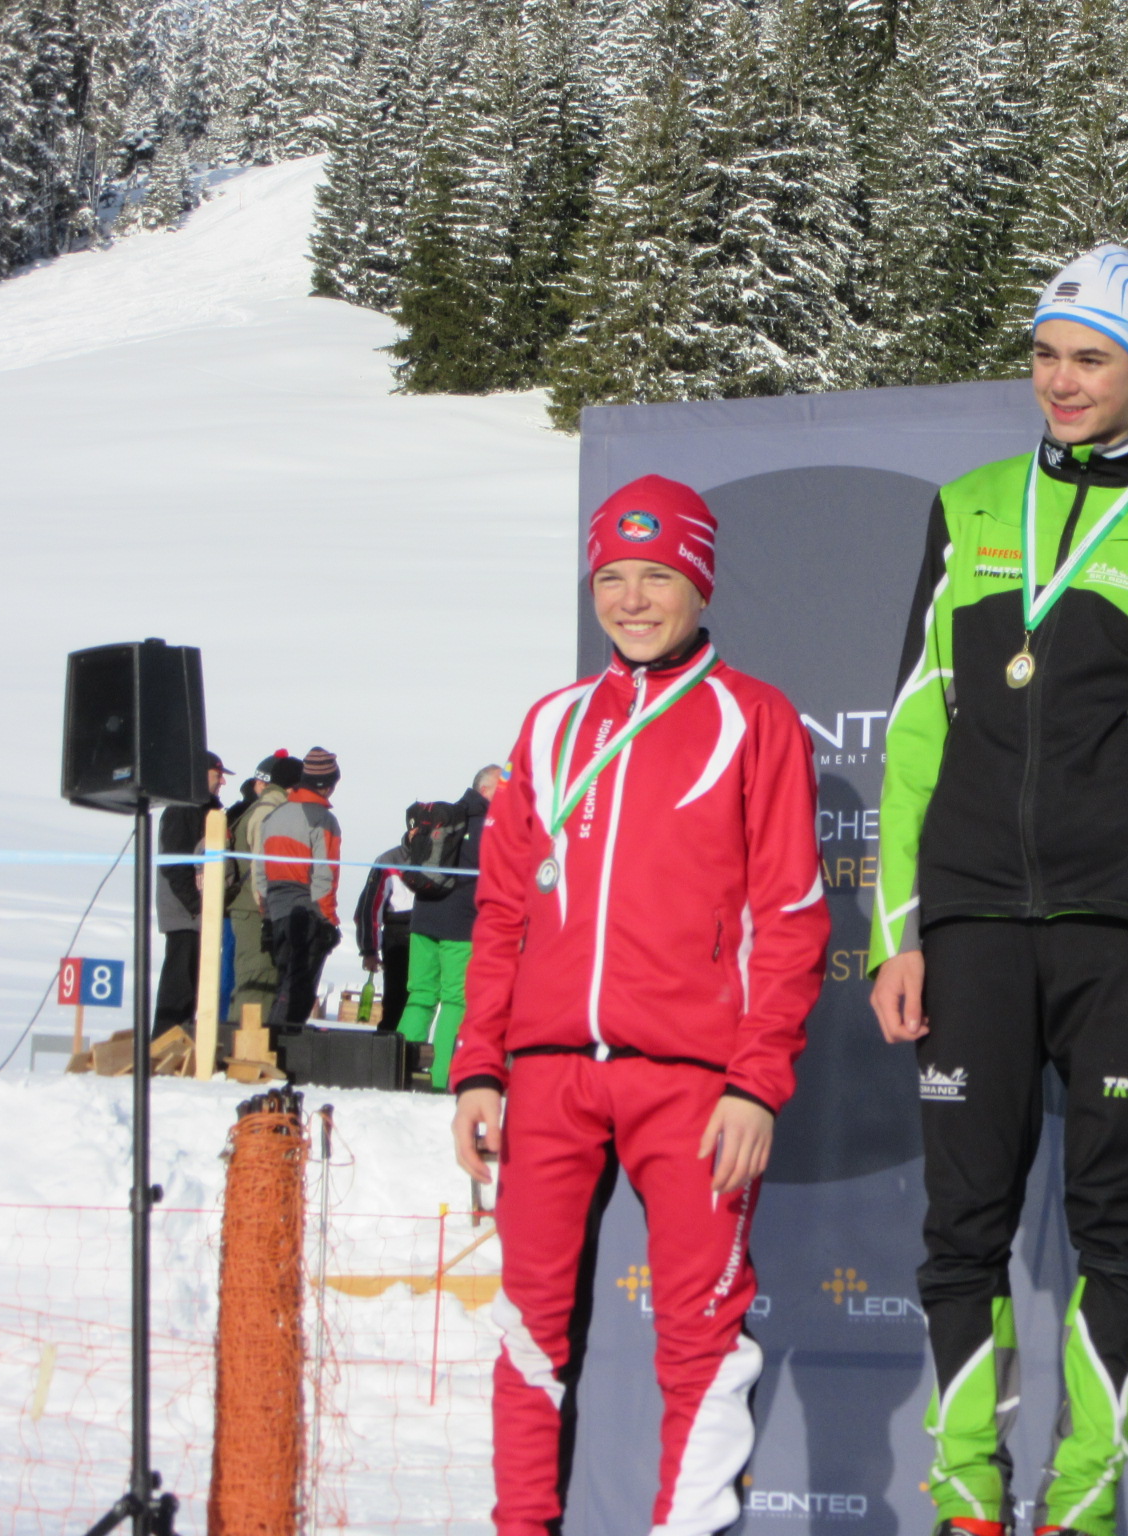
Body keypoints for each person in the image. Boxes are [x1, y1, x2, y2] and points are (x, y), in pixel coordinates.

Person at [868, 243, 1128, 1536]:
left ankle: (1083, 1507)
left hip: (1119, 936)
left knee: (1117, 1233)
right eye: (1044, 354)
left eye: (1091, 358)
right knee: (960, 1232)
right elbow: (914, 733)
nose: (1061, 380)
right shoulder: (968, 506)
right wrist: (896, 934)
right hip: (970, 928)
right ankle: (967, 1503)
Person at [450, 475, 829, 1536]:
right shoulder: (553, 723)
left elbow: (790, 916)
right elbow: (503, 912)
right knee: (528, 1329)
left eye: (655, 575)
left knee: (700, 1340)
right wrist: (478, 1068)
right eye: (611, 576)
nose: (630, 599)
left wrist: (756, 1083)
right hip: (546, 1076)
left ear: (699, 583)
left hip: (694, 1083)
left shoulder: (753, 717)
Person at [399, 766, 502, 1088]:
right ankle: (439, 1077)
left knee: (420, 995)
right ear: (485, 790)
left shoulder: (441, 820)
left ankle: (398, 1069)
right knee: (456, 1000)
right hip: (461, 925)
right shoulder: (491, 828)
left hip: (423, 918)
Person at [259, 745, 343, 1026]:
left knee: (282, 982)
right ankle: (283, 1043)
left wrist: (266, 914)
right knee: (299, 990)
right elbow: (325, 875)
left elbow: (260, 869)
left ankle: (271, 1040)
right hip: (307, 912)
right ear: (327, 785)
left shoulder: (275, 815)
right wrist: (328, 920)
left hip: (276, 909)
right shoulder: (323, 820)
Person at [153, 751, 227, 1038]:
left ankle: (181, 1040)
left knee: (193, 984)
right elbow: (174, 865)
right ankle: (164, 1042)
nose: (222, 782)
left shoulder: (204, 810)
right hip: (185, 915)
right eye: (217, 775)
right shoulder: (182, 809)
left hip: (197, 914)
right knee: (179, 984)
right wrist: (197, 906)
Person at [227, 751, 299, 1024]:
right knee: (257, 982)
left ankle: (242, 1041)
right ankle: (243, 1044)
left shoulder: (263, 808)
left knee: (255, 981)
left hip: (252, 909)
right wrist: (268, 911)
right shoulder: (269, 813)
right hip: (256, 911)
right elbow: (262, 867)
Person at [353, 839, 413, 1032]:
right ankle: (389, 1043)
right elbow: (369, 908)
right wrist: (369, 950)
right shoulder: (389, 860)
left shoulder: (445, 854)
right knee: (396, 1001)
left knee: (425, 999)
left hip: (433, 931)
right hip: (399, 934)